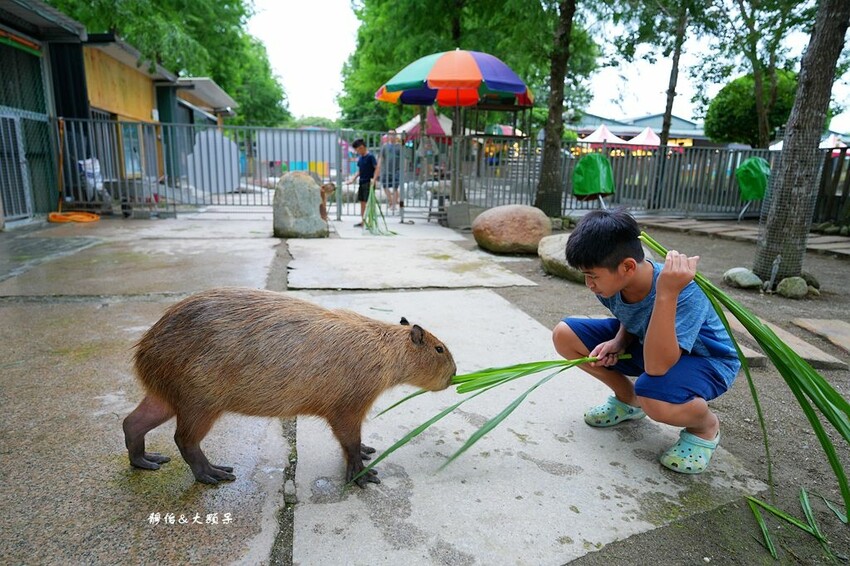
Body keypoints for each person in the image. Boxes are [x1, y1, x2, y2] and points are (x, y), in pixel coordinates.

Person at [551, 208, 741, 474]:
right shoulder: (611, 285)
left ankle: (705, 426)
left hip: (706, 361)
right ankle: (628, 400)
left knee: (653, 393)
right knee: (564, 335)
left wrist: (666, 293)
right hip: (651, 344)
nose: (589, 284)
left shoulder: (682, 290)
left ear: (627, 266)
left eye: (593, 275)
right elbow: (631, 316)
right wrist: (619, 341)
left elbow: (657, 367)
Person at [347, 139, 377, 227]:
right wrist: (352, 179)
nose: (357, 152)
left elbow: (376, 168)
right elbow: (360, 171)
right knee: (362, 202)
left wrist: (374, 179)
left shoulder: (370, 156)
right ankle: (363, 221)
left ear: (361, 147)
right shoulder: (360, 158)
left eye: (357, 150)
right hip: (362, 182)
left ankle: (371, 221)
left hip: (369, 182)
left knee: (369, 202)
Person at [376, 130, 402, 214]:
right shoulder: (384, 146)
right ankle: (390, 201)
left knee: (395, 187)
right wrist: (378, 168)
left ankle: (393, 204)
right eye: (390, 134)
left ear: (396, 135)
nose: (391, 136)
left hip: (397, 170)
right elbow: (381, 158)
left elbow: (403, 158)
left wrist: (403, 169)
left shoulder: (400, 146)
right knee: (385, 186)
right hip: (386, 170)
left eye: (393, 134)